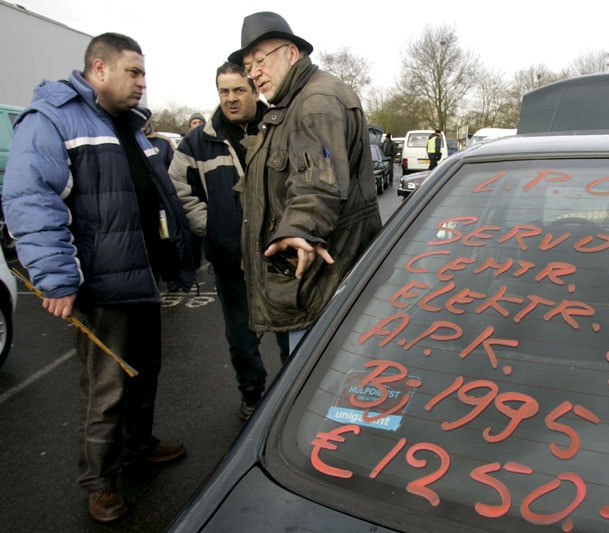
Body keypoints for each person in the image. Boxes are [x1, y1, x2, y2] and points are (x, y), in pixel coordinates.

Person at [2, 32, 196, 523]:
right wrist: (55, 278)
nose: (142, 83)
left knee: (144, 370)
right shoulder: (52, 119)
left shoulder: (127, 126)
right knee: (106, 387)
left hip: (142, 274)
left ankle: (138, 445)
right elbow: (30, 198)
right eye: (134, 72)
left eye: (144, 73)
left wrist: (177, 255)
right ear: (99, 68)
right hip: (102, 282)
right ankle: (100, 481)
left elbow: (153, 196)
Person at [227, 12, 382, 363]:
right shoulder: (295, 102)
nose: (253, 73)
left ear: (292, 53)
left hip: (317, 288)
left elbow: (319, 181)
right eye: (248, 66)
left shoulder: (315, 102)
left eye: (260, 60)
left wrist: (300, 226)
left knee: (310, 389)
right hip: (310, 284)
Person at [169, 62, 269, 421]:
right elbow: (179, 191)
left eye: (238, 90)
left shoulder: (280, 128)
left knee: (293, 330)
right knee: (241, 334)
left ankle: (294, 395)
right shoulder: (197, 143)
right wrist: (213, 227)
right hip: (231, 258)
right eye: (223, 91)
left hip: (279, 255)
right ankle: (253, 393)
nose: (230, 98)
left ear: (255, 90)